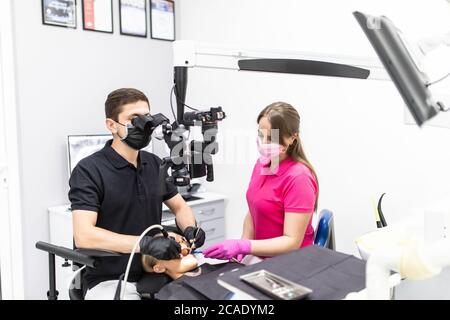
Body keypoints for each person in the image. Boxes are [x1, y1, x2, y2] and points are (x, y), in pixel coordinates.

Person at [68, 88, 206, 300]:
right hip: (111, 276)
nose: (143, 125)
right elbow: (84, 235)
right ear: (111, 125)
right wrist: (145, 244)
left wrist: (189, 228)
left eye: (146, 117)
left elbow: (180, 207)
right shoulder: (89, 170)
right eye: (134, 119)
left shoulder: (154, 164)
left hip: (157, 268)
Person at [203, 102, 319, 262]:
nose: (264, 143)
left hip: (292, 263)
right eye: (261, 135)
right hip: (260, 259)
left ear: (293, 138)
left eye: (271, 138)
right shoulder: (262, 165)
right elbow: (254, 210)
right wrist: (242, 246)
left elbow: (292, 242)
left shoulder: (299, 178)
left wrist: (244, 246)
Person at [141, 231, 243, 300]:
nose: (183, 246)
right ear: (159, 268)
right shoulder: (172, 294)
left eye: (182, 241)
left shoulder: (228, 265)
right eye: (171, 247)